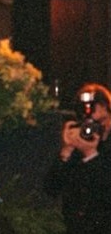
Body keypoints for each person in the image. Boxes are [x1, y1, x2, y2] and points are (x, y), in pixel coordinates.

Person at [44, 82, 111, 233]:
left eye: (92, 105)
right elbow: (51, 188)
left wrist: (91, 154)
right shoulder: (79, 141)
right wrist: (66, 151)